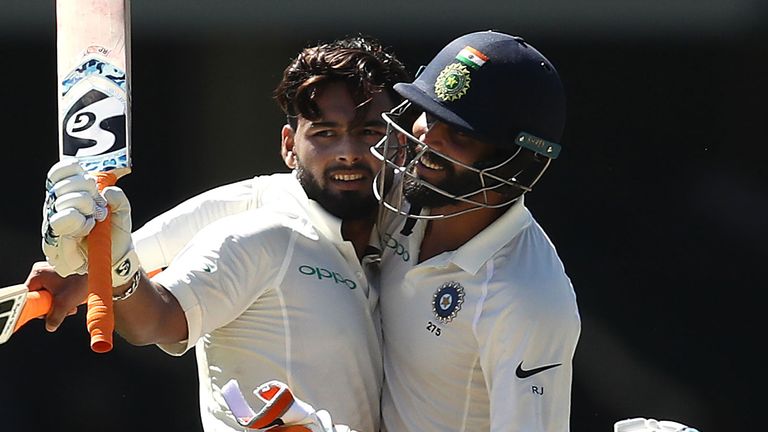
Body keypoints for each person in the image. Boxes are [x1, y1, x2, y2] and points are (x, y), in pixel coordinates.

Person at [35, 36, 409, 432]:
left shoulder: (392, 238)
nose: (348, 152)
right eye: (325, 133)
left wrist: (88, 275)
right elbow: (155, 320)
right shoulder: (260, 237)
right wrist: (115, 267)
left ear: (399, 145)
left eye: (369, 133)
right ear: (289, 146)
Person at [371, 30, 581, 431]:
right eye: (428, 116)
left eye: (460, 134)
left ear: (515, 162)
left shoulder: (527, 299)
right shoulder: (399, 198)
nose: (427, 139)